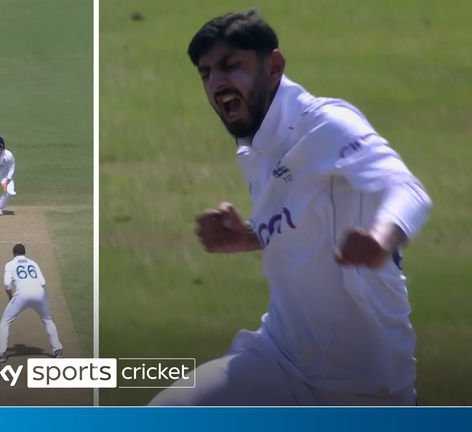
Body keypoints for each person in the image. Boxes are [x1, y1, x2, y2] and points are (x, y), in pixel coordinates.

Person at [151, 10, 432, 406]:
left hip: (367, 387)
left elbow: (409, 190)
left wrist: (380, 240)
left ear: (274, 67)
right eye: (206, 73)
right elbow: (305, 219)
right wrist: (248, 235)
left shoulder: (326, 124)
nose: (216, 83)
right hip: (279, 358)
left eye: (231, 66)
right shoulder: (254, 142)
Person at [0, 243, 63, 362]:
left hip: (22, 295)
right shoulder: (33, 263)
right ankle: (58, 350)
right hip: (39, 294)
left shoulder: (10, 264)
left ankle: (1, 354)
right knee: (48, 320)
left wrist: (11, 297)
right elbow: (43, 282)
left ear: (14, 254)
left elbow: (7, 284)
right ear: (24, 253)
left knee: (5, 322)